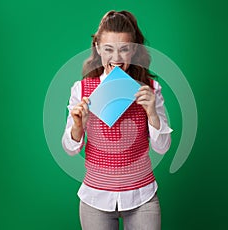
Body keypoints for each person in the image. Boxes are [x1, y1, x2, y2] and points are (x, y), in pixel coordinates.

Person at [62, 10, 172, 230]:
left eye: (124, 49)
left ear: (134, 50)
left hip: (142, 197)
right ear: (98, 49)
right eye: (108, 49)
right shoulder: (81, 89)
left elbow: (162, 148)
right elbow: (70, 149)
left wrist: (152, 112)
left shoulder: (150, 89)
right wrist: (77, 125)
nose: (117, 58)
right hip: (95, 198)